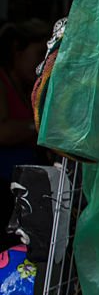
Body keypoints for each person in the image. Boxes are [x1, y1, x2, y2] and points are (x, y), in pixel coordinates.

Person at [0, 21, 49, 250]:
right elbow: (4, 132)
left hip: (26, 185)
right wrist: (37, 126)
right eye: (38, 54)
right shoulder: (2, 83)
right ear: (17, 52)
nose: (42, 63)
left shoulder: (30, 87)